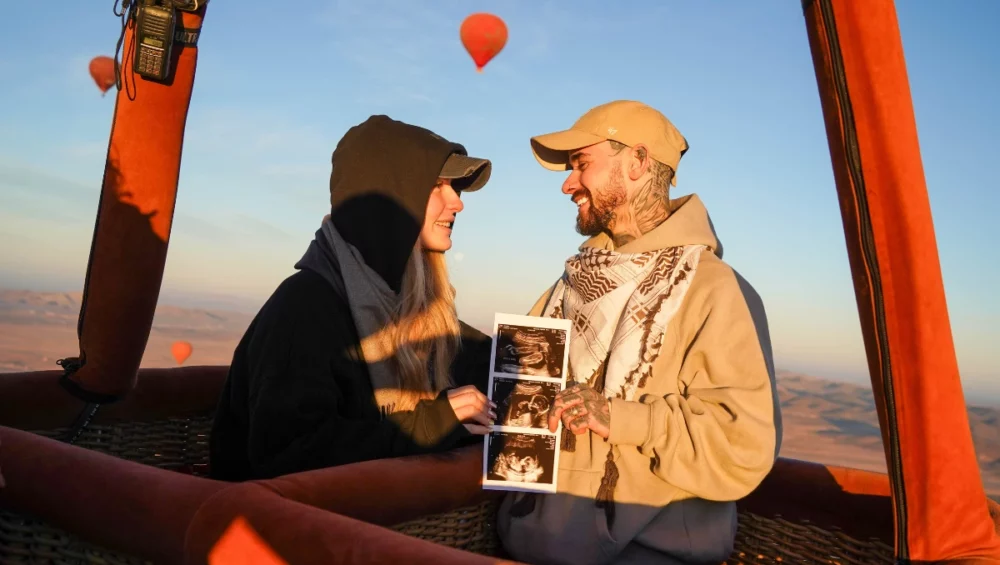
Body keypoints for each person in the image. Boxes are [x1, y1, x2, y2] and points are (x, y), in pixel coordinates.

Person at [496, 100, 782, 565]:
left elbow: (743, 445)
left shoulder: (713, 289)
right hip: (524, 547)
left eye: (581, 164)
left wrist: (620, 416)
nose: (569, 184)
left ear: (638, 162)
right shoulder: (568, 282)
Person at [209, 115, 498, 482]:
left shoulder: (417, 311)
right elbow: (289, 453)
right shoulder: (305, 309)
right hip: (280, 531)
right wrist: (432, 423)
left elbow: (498, 365)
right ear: (393, 199)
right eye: (437, 186)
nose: (457, 203)